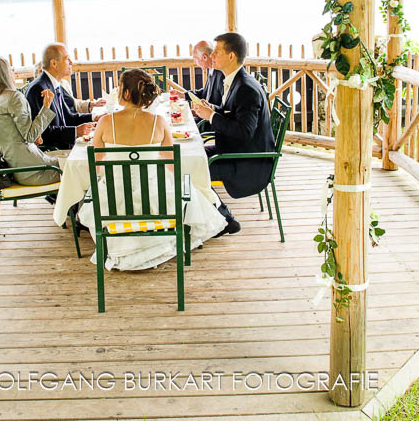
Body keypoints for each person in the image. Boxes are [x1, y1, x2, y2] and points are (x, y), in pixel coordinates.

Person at [79, 68, 226, 270]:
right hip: (155, 203)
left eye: (120, 87)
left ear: (127, 94)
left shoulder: (105, 122)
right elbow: (170, 163)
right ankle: (162, 240)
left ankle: (122, 244)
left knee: (98, 191)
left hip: (115, 204)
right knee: (187, 185)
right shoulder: (159, 122)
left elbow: (93, 166)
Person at [192, 32, 276, 236]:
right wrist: (212, 108)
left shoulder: (246, 88)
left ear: (231, 56)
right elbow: (234, 115)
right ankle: (214, 217)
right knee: (193, 160)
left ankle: (225, 219)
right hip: (234, 149)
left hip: (248, 161)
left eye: (218, 52)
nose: (212, 56)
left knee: (191, 172)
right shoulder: (236, 80)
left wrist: (211, 116)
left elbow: (244, 131)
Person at [0, 57, 60, 186]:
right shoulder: (13, 97)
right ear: (4, 73)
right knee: (80, 168)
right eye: (10, 69)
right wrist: (46, 106)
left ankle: (65, 203)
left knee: (73, 162)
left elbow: (12, 136)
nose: (13, 72)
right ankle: (71, 206)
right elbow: (30, 136)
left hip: (15, 169)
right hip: (32, 171)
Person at [25, 43, 98, 150]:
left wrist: (94, 117)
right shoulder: (39, 89)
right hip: (51, 151)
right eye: (67, 59)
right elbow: (42, 133)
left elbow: (69, 117)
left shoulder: (55, 84)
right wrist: (75, 131)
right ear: (54, 63)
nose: (71, 63)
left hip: (64, 145)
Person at [185, 40, 225, 106]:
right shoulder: (211, 70)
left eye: (195, 59)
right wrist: (183, 95)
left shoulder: (221, 74)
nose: (195, 62)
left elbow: (223, 106)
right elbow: (206, 92)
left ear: (204, 57)